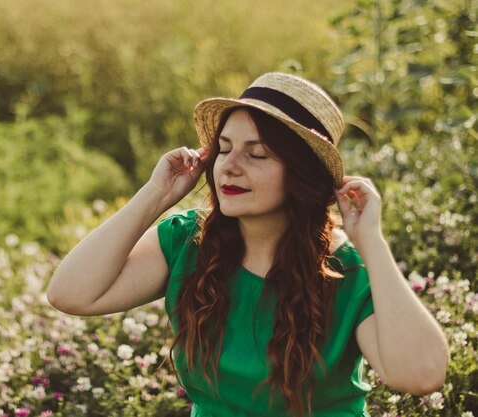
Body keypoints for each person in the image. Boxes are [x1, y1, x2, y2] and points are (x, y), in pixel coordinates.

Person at [46, 72, 449, 417]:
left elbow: (421, 375)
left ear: (301, 175)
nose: (230, 166)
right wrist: (155, 194)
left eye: (256, 154)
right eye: (223, 149)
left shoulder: (345, 269)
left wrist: (371, 243)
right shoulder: (188, 241)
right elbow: (70, 294)